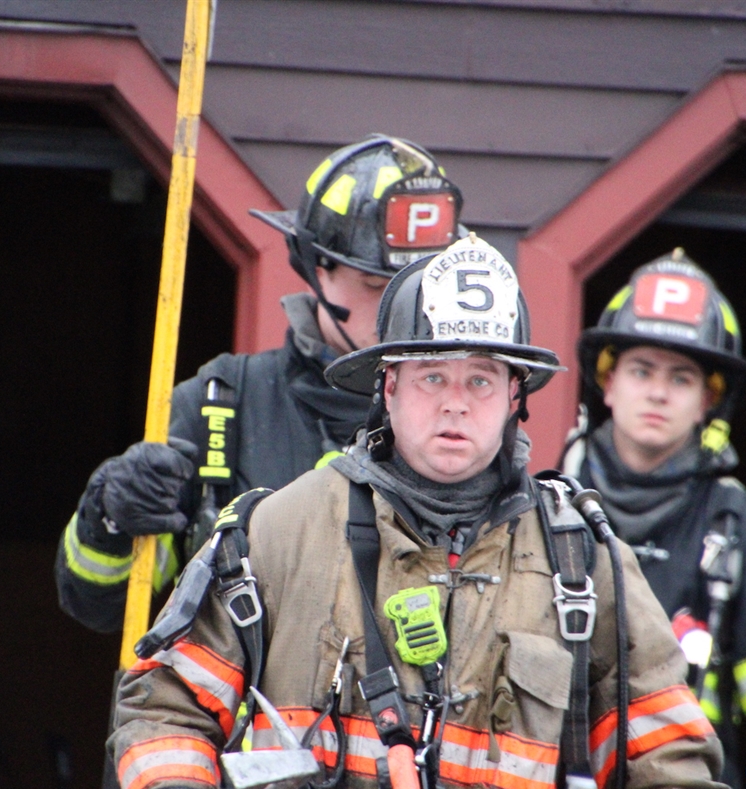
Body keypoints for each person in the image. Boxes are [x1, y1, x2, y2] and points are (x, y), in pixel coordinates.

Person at [110, 236, 732, 789]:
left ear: (517, 395)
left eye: (482, 380)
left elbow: (670, 770)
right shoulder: (281, 531)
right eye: (432, 375)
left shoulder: (585, 563)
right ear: (388, 386)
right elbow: (164, 708)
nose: (455, 404)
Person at [56, 135, 464, 633]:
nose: (401, 308)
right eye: (378, 287)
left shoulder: (466, 417)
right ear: (315, 267)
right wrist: (111, 519)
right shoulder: (221, 406)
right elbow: (100, 606)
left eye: (422, 286)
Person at [560, 249, 746, 789]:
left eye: (681, 378)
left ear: (708, 400)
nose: (658, 391)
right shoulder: (541, 513)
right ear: (607, 383)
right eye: (640, 370)